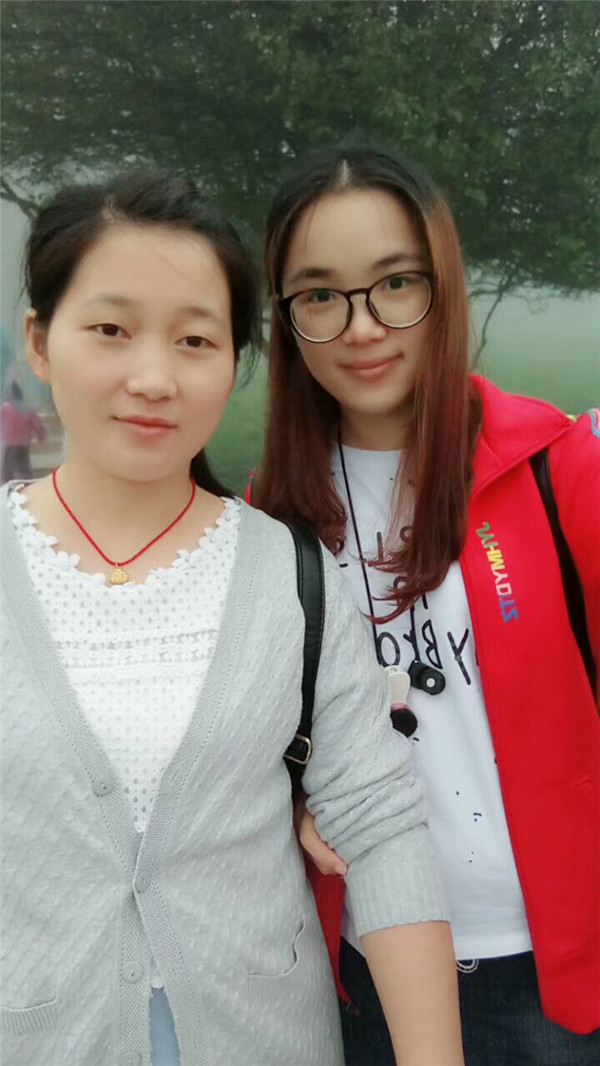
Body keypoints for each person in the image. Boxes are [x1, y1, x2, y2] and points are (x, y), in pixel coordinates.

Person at [0, 170, 465, 1066]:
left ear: (235, 361)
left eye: (195, 340)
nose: (153, 378)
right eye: (110, 330)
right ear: (40, 341)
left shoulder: (291, 575)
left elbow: (378, 826)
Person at [251, 144, 600, 1065]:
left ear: (443, 284)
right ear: (287, 318)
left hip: (553, 975)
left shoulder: (558, 471)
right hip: (365, 967)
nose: (362, 327)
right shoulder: (266, 523)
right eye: (320, 295)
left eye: (395, 283)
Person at [0, 379, 47, 482]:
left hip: (10, 444)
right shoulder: (26, 407)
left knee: (8, 471)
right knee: (24, 469)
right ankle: (27, 484)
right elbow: (36, 423)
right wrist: (41, 435)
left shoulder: (5, 408)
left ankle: (8, 486)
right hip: (23, 443)